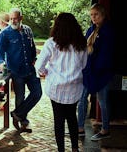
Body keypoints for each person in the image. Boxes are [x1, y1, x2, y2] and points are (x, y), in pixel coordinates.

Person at [35, 13, 87, 152]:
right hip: (74, 87)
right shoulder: (81, 43)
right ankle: (75, 148)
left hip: (56, 87)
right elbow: (84, 65)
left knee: (59, 120)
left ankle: (61, 150)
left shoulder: (51, 43)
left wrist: (46, 72)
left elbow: (39, 65)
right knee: (72, 118)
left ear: (57, 26)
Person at [0, 8, 42, 130]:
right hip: (16, 71)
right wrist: (1, 63)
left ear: (21, 18)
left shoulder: (28, 30)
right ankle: (23, 121)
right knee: (20, 97)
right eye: (11, 18)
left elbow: (32, 46)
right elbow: (0, 52)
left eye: (15, 18)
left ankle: (17, 114)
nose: (12, 21)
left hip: (30, 69)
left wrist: (35, 58)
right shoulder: (5, 33)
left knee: (37, 93)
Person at [78, 3, 114, 141]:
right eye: (91, 15)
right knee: (81, 100)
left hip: (102, 72)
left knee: (102, 101)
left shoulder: (108, 31)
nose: (93, 17)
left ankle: (105, 130)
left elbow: (106, 53)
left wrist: (97, 69)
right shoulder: (91, 29)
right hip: (89, 72)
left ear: (103, 14)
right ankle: (80, 128)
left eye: (96, 14)